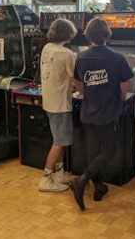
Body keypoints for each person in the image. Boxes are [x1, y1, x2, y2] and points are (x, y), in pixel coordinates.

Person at [69, 18, 133, 210]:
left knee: (94, 149)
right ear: (107, 35)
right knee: (110, 150)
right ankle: (82, 180)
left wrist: (87, 91)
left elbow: (77, 82)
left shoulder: (81, 57)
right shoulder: (117, 57)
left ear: (88, 35)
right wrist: (121, 97)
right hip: (108, 112)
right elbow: (124, 87)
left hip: (88, 111)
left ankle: (98, 188)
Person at [39, 18, 77, 192]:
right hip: (61, 104)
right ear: (68, 34)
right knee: (60, 141)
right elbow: (75, 79)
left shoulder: (47, 48)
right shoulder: (67, 53)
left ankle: (60, 173)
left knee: (58, 139)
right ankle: (46, 179)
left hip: (49, 100)